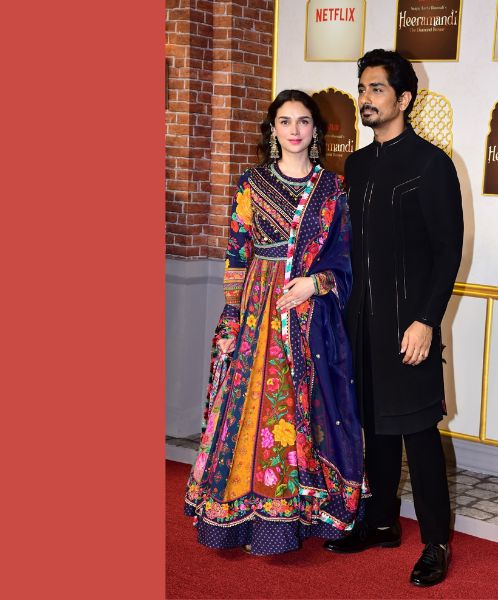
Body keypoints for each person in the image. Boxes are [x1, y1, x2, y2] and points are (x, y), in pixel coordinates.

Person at [184, 89, 367, 556]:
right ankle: (247, 516)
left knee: (300, 407)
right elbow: (237, 254)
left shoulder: (332, 189)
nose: (294, 130)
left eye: (303, 121)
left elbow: (349, 257)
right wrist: (231, 317)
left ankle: (303, 513)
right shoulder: (252, 183)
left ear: (315, 130)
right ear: (272, 130)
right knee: (253, 410)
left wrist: (316, 284)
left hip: (309, 318)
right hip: (257, 313)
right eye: (285, 121)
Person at [323, 49, 464, 587]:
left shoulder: (432, 164)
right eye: (362, 88)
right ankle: (381, 520)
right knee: (374, 427)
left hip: (411, 326)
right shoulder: (357, 166)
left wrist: (426, 320)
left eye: (377, 88)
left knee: (419, 435)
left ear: (404, 99)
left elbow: (447, 251)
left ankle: (436, 543)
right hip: (361, 323)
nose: (365, 98)